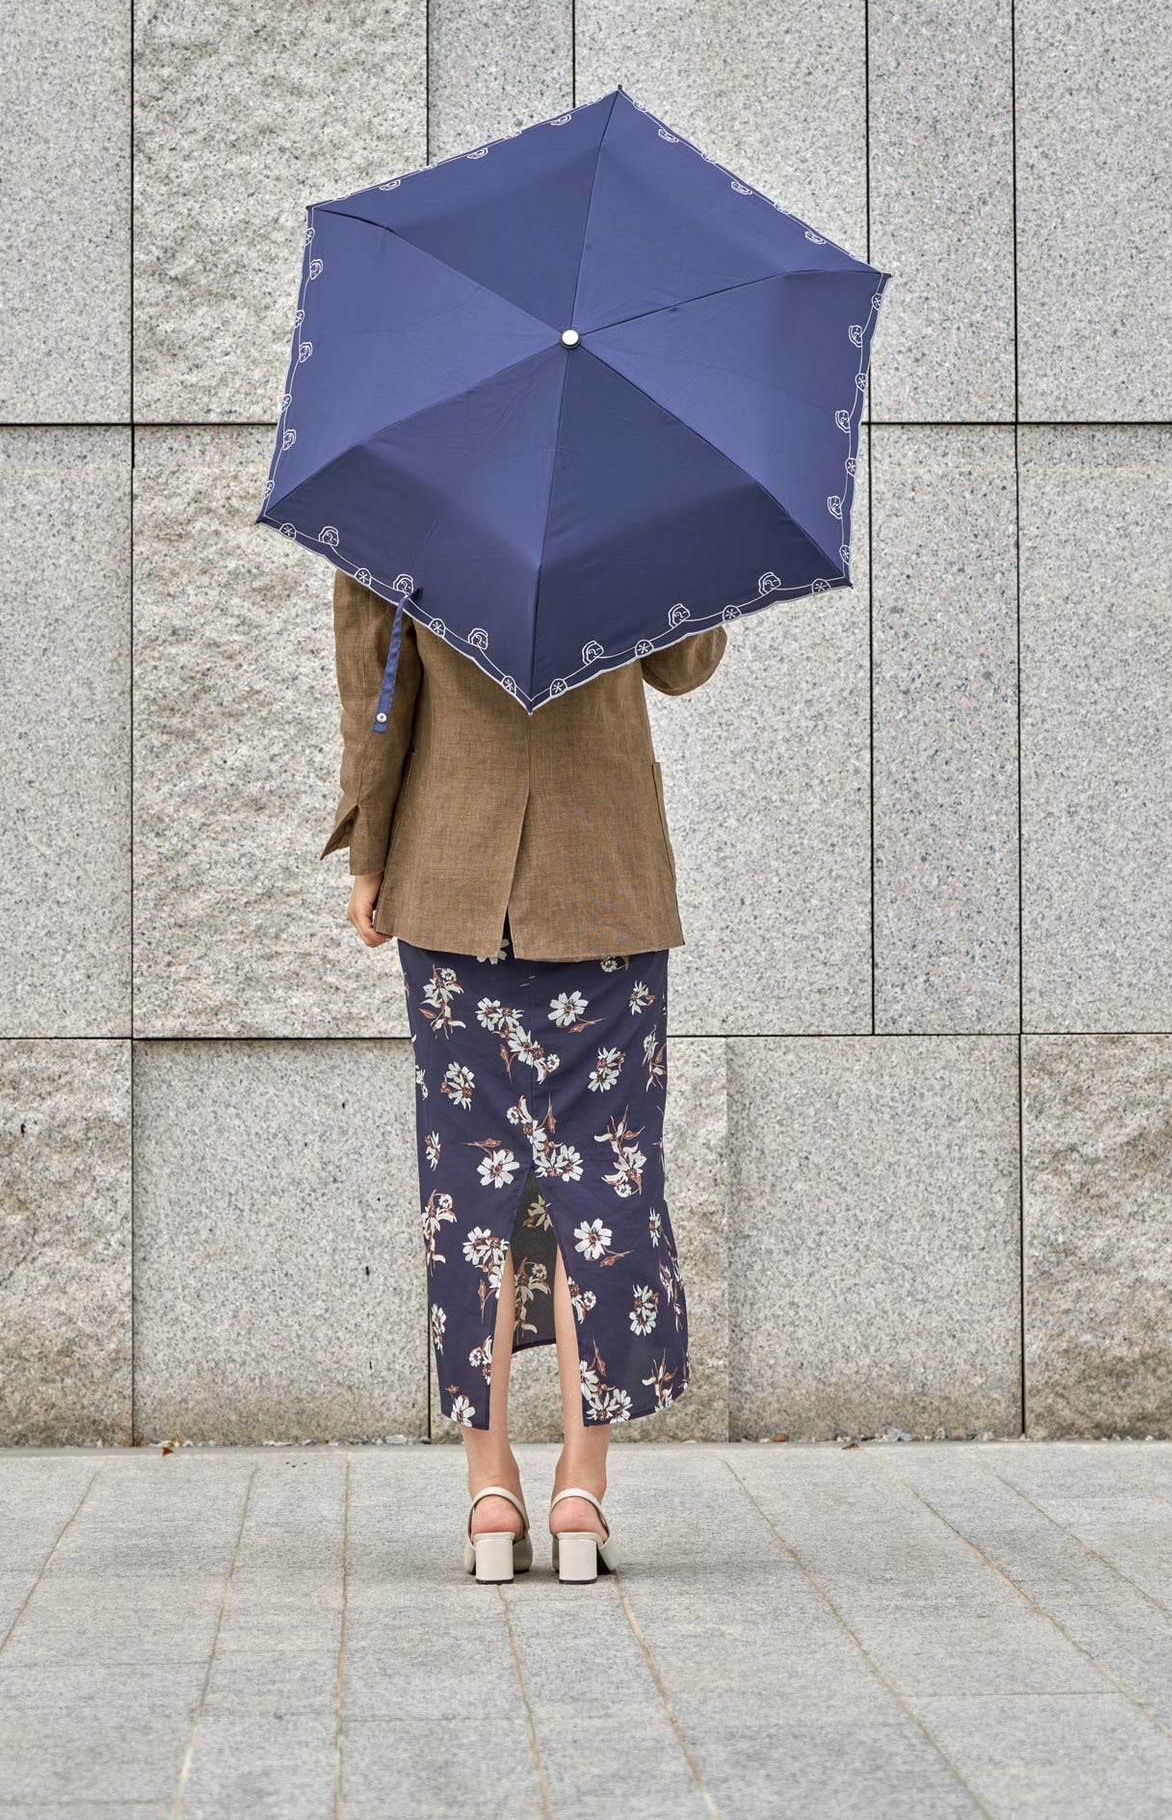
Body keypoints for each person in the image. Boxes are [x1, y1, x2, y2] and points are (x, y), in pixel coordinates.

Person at [321, 569, 726, 1583]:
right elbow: (685, 663)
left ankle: (489, 1491)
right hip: (605, 879)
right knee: (604, 1171)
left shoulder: (403, 492)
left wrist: (368, 854)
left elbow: (377, 684)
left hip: (453, 877)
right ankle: (580, 1489)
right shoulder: (633, 487)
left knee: (473, 1184)